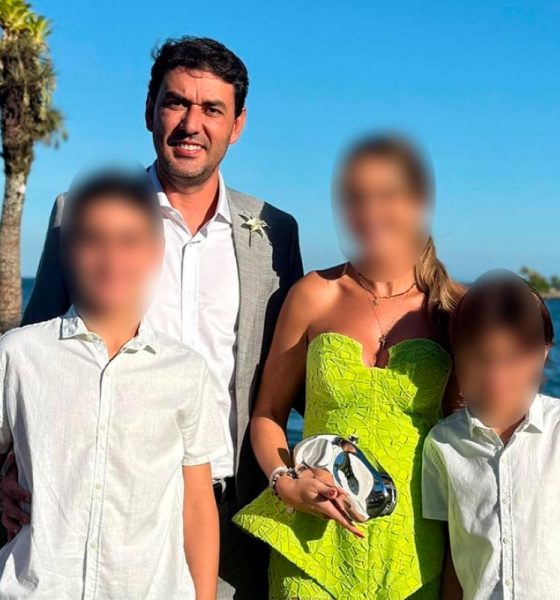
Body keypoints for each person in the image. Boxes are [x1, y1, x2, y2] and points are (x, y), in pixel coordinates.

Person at [1, 37, 303, 598]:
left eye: (212, 109)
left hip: (228, 509)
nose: (192, 124)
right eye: (176, 102)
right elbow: (36, 357)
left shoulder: (274, 232)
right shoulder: (80, 215)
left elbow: (292, 370)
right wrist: (5, 470)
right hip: (89, 510)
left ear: (237, 125)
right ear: (150, 110)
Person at [234, 134, 464, 599]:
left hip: (414, 556)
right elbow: (268, 414)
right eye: (355, 198)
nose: (369, 212)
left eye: (386, 195)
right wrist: (285, 481)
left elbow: (471, 441)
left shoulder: (454, 309)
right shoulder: (312, 295)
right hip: (311, 547)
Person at [0, 170, 225, 598]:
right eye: (93, 240)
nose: (111, 260)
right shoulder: (18, 354)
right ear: (69, 250)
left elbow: (197, 503)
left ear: (155, 252)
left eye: (128, 241)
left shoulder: (185, 370)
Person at [422, 271, 557, 600]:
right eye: (479, 358)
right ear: (456, 356)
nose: (496, 378)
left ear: (543, 352)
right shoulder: (442, 444)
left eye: (511, 359)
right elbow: (454, 557)